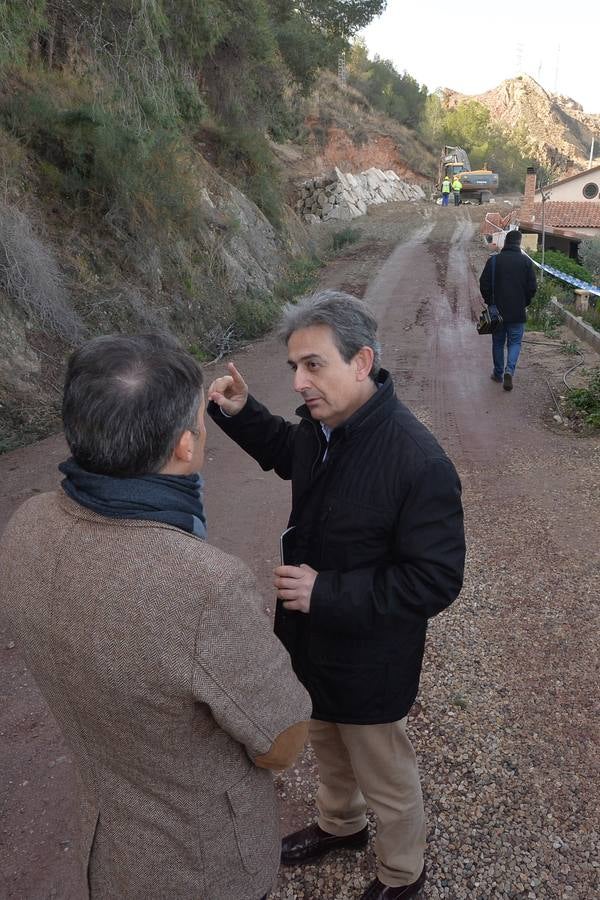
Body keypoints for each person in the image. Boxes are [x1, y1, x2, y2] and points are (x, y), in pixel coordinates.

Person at [0, 333, 312, 900]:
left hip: (107, 844)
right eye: (199, 420)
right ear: (183, 448)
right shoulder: (205, 586)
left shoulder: (27, 523)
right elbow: (284, 741)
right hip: (204, 866)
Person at [207, 291, 466, 900]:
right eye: (294, 366)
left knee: (385, 771)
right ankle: (341, 826)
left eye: (313, 364)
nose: (299, 382)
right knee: (326, 743)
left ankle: (403, 872)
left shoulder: (418, 461)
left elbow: (435, 579)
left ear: (361, 361)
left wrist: (328, 591)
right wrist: (242, 412)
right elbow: (283, 451)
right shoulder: (322, 430)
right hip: (311, 640)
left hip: (372, 654)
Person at [479, 229, 537, 391]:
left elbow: (483, 284)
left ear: (505, 242)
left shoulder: (494, 261)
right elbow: (532, 287)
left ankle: (498, 373)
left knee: (498, 342)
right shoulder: (526, 263)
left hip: (497, 312)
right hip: (517, 312)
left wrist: (490, 302)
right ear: (519, 243)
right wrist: (524, 302)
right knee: (515, 342)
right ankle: (509, 371)